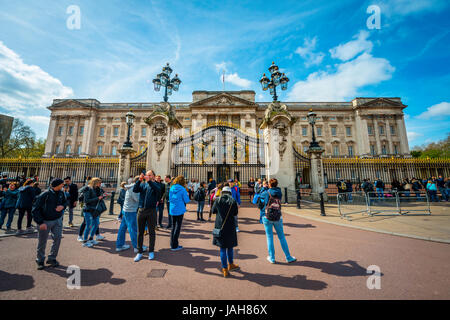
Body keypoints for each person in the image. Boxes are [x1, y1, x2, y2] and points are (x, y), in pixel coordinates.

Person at [32, 178, 67, 270]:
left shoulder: (61, 193)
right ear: (57, 185)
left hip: (58, 220)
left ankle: (52, 258)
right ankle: (40, 260)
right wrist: (40, 222)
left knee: (58, 238)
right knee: (42, 241)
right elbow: (35, 209)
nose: (63, 186)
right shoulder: (45, 194)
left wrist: (62, 206)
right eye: (62, 184)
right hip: (45, 221)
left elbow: (65, 202)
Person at [260, 178, 296, 264]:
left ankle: (272, 258)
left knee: (269, 237)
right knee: (282, 237)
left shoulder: (267, 192)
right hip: (278, 216)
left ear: (269, 184)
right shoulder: (279, 192)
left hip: (267, 216)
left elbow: (260, 196)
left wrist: (264, 188)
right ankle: (288, 257)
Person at [133, 170, 161, 262]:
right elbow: (135, 189)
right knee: (140, 232)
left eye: (150, 175)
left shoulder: (156, 184)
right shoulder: (143, 184)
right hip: (141, 210)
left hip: (151, 211)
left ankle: (151, 251)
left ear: (153, 176)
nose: (147, 176)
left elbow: (158, 190)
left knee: (151, 232)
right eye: (147, 175)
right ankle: (139, 252)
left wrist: (149, 181)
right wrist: (139, 180)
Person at [211, 186, 239, 278]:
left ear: (222, 192)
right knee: (230, 247)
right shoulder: (232, 201)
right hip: (230, 226)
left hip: (220, 225)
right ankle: (231, 264)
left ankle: (224, 269)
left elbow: (213, 211)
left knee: (222, 248)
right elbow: (235, 213)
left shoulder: (218, 200)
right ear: (230, 193)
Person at [116, 176, 143, 253]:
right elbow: (137, 199)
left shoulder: (130, 187)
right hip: (130, 211)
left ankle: (120, 245)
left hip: (126, 210)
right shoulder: (134, 189)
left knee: (123, 228)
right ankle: (137, 246)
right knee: (133, 229)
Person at [80, 178, 106, 248]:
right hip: (88, 210)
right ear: (95, 182)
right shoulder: (88, 189)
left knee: (97, 224)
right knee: (89, 226)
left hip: (95, 210)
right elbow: (86, 200)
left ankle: (91, 238)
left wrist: (102, 197)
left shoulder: (97, 189)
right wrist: (98, 198)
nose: (100, 184)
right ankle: (85, 241)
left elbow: (98, 197)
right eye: (99, 183)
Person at [169, 176, 190, 251]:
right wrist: (187, 195)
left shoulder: (171, 188)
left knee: (173, 227)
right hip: (180, 209)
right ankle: (175, 245)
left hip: (172, 208)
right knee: (177, 227)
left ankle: (172, 244)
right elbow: (187, 200)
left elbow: (170, 198)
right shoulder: (183, 189)